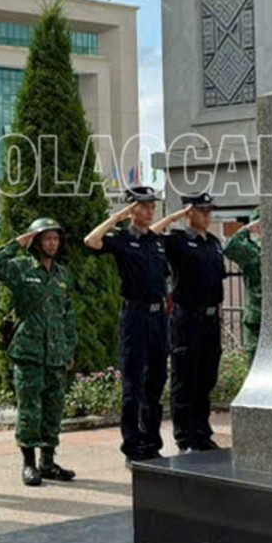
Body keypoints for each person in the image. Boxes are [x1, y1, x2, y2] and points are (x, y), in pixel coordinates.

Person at [84, 184, 171, 462]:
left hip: (159, 318)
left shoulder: (155, 241)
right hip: (135, 316)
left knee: (156, 381)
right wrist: (116, 218)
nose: (149, 210)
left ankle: (152, 442)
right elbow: (91, 241)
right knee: (133, 383)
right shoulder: (122, 239)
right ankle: (132, 445)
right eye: (144, 206)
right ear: (132, 209)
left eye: (151, 206)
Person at [0, 218, 77, 485]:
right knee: (29, 409)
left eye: (55, 238)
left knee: (53, 409)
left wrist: (70, 349)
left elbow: (68, 316)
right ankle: (28, 464)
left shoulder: (62, 275)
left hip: (56, 353)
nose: (52, 243)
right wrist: (19, 241)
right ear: (36, 241)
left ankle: (48, 462)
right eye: (46, 238)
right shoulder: (21, 269)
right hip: (28, 352)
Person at [154, 194, 226, 453]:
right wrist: (174, 216)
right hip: (187, 318)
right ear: (189, 213)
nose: (207, 216)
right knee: (185, 377)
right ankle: (185, 438)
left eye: (209, 211)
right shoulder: (177, 240)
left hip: (210, 319)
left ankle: (202, 432)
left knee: (206, 377)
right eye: (202, 211)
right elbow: (151, 235)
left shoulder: (214, 243)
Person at [224, 218, 263, 363]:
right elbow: (229, 247)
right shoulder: (251, 250)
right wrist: (247, 229)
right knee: (255, 362)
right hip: (256, 314)